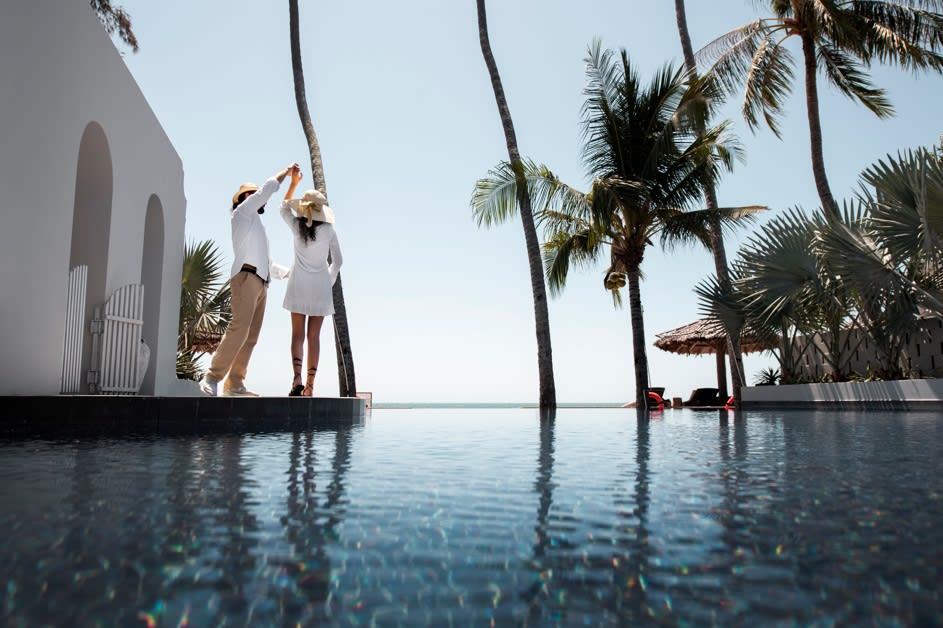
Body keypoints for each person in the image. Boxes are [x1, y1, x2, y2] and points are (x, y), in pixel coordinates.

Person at [198, 163, 297, 397]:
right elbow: (267, 190)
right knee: (239, 330)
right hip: (246, 277)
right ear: (241, 199)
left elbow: (270, 264)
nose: (254, 197)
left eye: (254, 194)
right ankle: (212, 377)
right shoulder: (241, 214)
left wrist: (292, 272)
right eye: (249, 194)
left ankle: (235, 384)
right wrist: (285, 172)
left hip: (262, 283)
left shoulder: (258, 227)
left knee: (251, 337)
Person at [280, 168, 343, 396]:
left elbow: (283, 207)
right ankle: (309, 386)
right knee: (313, 337)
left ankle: (296, 378)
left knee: (297, 335)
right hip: (320, 288)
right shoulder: (328, 230)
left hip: (298, 284)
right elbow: (338, 261)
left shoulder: (297, 226)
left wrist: (293, 183)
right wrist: (329, 278)